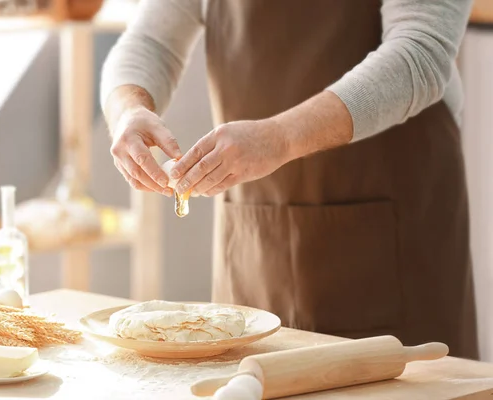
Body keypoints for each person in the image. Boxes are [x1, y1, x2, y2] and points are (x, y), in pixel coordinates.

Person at [99, 0, 478, 359]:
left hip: (396, 245)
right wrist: (127, 111)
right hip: (256, 244)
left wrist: (281, 138)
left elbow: (420, 52)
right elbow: (150, 40)